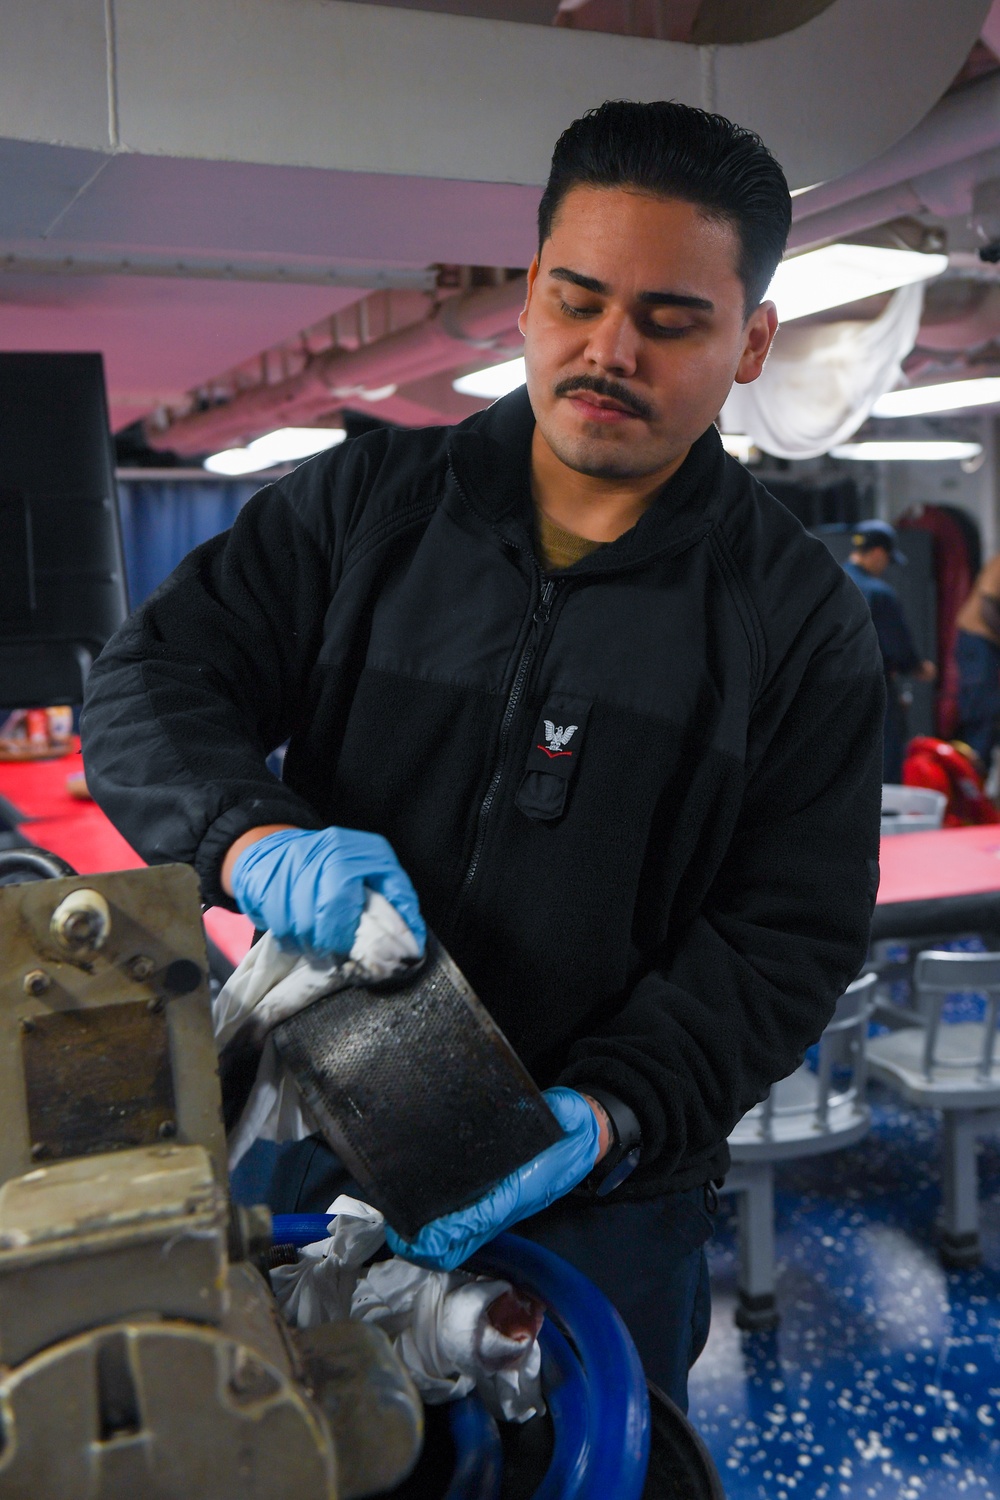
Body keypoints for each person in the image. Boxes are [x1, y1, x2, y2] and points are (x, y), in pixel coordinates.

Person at [81, 100, 883, 1410]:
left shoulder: (797, 624)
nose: (609, 349)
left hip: (600, 1201)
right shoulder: (363, 510)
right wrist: (255, 840)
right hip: (320, 1140)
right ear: (525, 297)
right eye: (577, 298)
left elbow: (788, 937)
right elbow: (152, 682)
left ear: (753, 343)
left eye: (671, 320)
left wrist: (612, 1114)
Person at [842, 520, 936, 783]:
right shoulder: (879, 593)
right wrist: (918, 667)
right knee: (885, 754)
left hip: (831, 687)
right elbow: (897, 644)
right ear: (878, 553)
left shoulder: (832, 582)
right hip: (873, 685)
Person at [954, 552, 1000, 770]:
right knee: (982, 710)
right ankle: (970, 780)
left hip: (992, 645)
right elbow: (988, 606)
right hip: (979, 641)